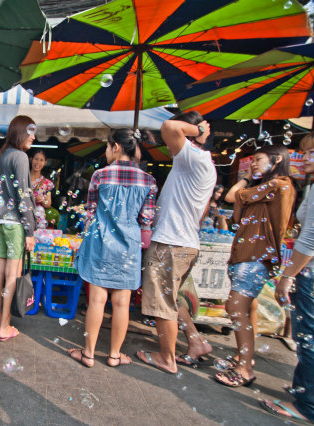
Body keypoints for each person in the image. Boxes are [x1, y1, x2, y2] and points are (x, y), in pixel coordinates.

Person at [136, 110, 216, 374]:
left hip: (171, 244)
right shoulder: (202, 164)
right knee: (174, 300)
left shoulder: (192, 157)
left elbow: (169, 126)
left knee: (161, 303)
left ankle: (166, 358)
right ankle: (196, 342)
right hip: (185, 242)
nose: (168, 147)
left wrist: (199, 132)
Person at [69, 128, 157, 368]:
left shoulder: (100, 176)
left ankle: (88, 354)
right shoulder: (148, 181)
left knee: (96, 301)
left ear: (116, 147)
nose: (106, 151)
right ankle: (115, 356)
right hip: (129, 245)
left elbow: (90, 212)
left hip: (100, 243)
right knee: (121, 303)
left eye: (107, 147)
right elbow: (146, 220)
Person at [213, 145, 296, 387]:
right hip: (250, 254)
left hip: (255, 256)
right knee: (247, 308)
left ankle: (245, 368)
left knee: (235, 307)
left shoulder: (278, 185)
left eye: (258, 160)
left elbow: (231, 196)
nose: (253, 164)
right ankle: (243, 357)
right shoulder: (268, 190)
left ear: (277, 159)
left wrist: (247, 178)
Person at [261, 132, 314, 423]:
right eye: (305, 153)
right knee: (308, 334)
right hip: (309, 272)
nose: (305, 158)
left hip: (310, 273)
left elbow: (310, 241)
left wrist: (287, 276)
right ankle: (303, 388)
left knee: (310, 337)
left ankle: (309, 405)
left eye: (312, 152)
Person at [0, 115, 37, 341]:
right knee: (12, 275)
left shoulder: (1, 158)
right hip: (16, 223)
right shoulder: (20, 157)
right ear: (20, 133)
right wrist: (30, 230)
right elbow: (23, 196)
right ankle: (4, 326)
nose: (33, 137)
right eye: (30, 132)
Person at [29, 149, 54, 229]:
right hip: (24, 216)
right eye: (36, 159)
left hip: (38, 221)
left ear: (45, 162)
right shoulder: (23, 179)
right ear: (31, 159)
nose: (38, 163)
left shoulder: (47, 183)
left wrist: (43, 200)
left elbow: (48, 204)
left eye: (41, 160)